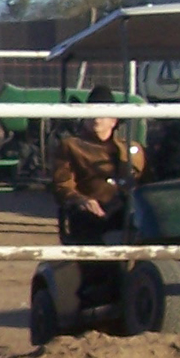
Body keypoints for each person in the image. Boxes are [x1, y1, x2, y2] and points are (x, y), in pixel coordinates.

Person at [49, 85, 144, 243]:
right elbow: (62, 185)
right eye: (91, 112)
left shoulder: (133, 149)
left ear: (114, 120)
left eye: (103, 113)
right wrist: (81, 200)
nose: (97, 118)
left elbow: (146, 182)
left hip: (129, 212)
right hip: (90, 213)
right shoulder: (71, 146)